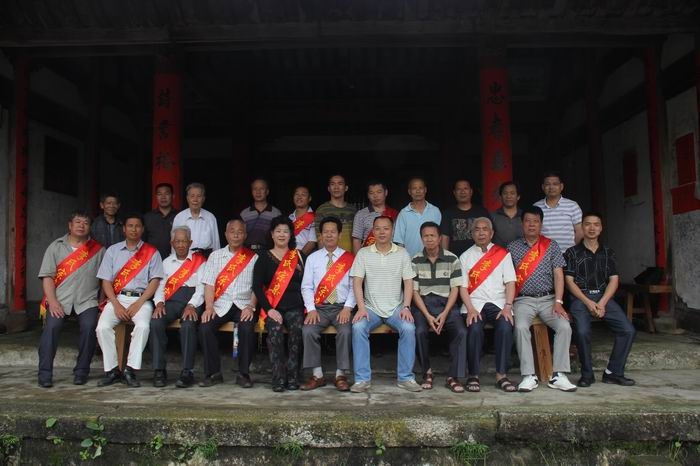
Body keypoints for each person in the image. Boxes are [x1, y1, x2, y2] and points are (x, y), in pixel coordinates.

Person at [508, 206, 576, 392]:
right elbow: (507, 278)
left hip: (549, 299)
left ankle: (559, 375)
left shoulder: (551, 245)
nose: (531, 225)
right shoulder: (512, 247)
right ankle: (528, 375)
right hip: (523, 300)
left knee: (564, 326)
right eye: (528, 221)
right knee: (520, 327)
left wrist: (559, 302)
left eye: (536, 221)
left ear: (541, 224)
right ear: (522, 224)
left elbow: (559, 274)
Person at [349, 216, 421, 393]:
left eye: (386, 228)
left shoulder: (402, 253)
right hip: (370, 308)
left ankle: (405, 378)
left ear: (392, 231)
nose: (382, 232)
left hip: (396, 308)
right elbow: (357, 282)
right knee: (358, 327)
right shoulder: (363, 253)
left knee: (409, 328)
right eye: (378, 228)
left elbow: (409, 282)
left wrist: (406, 307)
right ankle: (362, 379)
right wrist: (361, 308)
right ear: (373, 231)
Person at [564, 212, 636, 387]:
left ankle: (613, 372)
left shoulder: (608, 252)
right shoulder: (572, 253)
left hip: (603, 298)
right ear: (582, 227)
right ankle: (587, 374)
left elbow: (614, 280)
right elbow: (569, 282)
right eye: (588, 224)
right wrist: (588, 302)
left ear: (601, 228)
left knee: (627, 330)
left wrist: (602, 303)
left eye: (596, 224)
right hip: (580, 298)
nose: (592, 228)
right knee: (582, 332)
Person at [37, 212, 105, 387]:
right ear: (70, 225)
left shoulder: (99, 250)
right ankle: (44, 373)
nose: (81, 225)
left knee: (89, 327)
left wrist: (101, 304)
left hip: (87, 301)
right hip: (60, 300)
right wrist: (52, 301)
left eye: (85, 222)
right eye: (77, 222)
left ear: (90, 227)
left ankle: (81, 371)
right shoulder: (55, 247)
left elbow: (105, 280)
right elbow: (47, 276)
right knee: (51, 328)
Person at [95, 214, 163, 387]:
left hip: (141, 300)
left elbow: (155, 281)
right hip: (117, 298)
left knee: (143, 327)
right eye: (130, 226)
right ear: (124, 229)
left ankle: (130, 370)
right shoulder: (112, 251)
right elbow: (106, 281)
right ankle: (112, 370)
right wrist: (116, 304)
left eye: (137, 226)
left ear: (142, 229)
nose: (134, 229)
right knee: (102, 328)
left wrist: (139, 303)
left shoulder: (152, 252)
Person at [459, 217, 518, 393]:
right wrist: (470, 309)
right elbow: (462, 287)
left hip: (499, 303)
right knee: (475, 328)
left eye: (485, 229)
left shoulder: (503, 254)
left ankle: (501, 375)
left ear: (491, 233)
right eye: (477, 229)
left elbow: (510, 283)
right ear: (472, 233)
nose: (481, 233)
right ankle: (473, 375)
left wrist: (508, 306)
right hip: (474, 303)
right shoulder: (465, 256)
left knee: (505, 327)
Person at [198, 219, 259, 388]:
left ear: (245, 235)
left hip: (243, 304)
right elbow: (209, 284)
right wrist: (209, 307)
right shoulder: (215, 256)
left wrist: (251, 306)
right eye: (232, 231)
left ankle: (243, 374)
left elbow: (257, 287)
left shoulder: (253, 258)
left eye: (240, 232)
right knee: (205, 327)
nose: (236, 235)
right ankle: (213, 373)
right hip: (220, 304)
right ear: (226, 234)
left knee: (247, 327)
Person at [300, 216, 355, 391]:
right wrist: (311, 309)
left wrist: (348, 308)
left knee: (346, 331)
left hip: (341, 307)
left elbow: (355, 287)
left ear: (339, 235)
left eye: (333, 232)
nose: (329, 235)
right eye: (326, 232)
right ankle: (317, 375)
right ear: (321, 235)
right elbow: (306, 287)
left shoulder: (349, 258)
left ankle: (341, 375)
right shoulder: (313, 258)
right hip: (319, 308)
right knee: (308, 330)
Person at [411, 221, 467, 392]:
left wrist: (445, 313)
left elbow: (455, 289)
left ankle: (453, 376)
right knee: (419, 331)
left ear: (439, 238)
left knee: (461, 331)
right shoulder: (415, 260)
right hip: (423, 304)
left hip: (446, 303)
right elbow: (414, 292)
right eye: (425, 236)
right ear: (421, 238)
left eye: (432, 236)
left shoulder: (452, 258)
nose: (429, 239)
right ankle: (427, 372)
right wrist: (428, 315)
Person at [253, 216, 305, 392]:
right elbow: (257, 287)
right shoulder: (263, 257)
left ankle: (293, 376)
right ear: (272, 234)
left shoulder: (298, 256)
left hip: (296, 306)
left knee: (297, 331)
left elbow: (308, 284)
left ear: (291, 235)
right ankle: (278, 377)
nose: (282, 235)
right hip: (273, 306)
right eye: (278, 231)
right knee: (274, 332)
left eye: (285, 231)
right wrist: (269, 309)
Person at [149, 226, 206, 388]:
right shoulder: (166, 263)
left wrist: (192, 305)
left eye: (184, 241)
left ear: (190, 243)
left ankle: (187, 371)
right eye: (177, 241)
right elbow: (160, 287)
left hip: (193, 301)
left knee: (188, 325)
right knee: (156, 322)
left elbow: (202, 288)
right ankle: (159, 370)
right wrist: (159, 303)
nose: (181, 245)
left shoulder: (199, 261)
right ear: (172, 243)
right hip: (171, 301)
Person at [440, 179, 491, 257]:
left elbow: (489, 235)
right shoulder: (448, 213)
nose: (462, 192)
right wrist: (445, 258)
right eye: (459, 189)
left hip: (479, 258)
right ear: (454, 193)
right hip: (456, 259)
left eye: (465, 188)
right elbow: (445, 238)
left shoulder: (481, 212)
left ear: (471, 192)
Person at [534, 171, 583, 252]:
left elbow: (579, 232)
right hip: (543, 254)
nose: (551, 187)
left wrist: (576, 252)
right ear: (543, 187)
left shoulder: (572, 206)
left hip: (568, 254)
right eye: (547, 184)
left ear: (561, 186)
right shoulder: (536, 207)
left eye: (555, 184)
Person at [393, 177, 442, 257]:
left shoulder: (435, 211)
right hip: (410, 259)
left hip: (432, 259)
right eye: (414, 188)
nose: (418, 191)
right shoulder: (404, 213)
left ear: (425, 190)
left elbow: (440, 237)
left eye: (420, 188)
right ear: (409, 191)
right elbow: (399, 241)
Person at [172, 182, 220, 256]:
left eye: (199, 196)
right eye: (192, 196)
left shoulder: (210, 217)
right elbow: (174, 243)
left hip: (206, 258)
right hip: (185, 258)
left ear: (203, 199)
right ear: (187, 198)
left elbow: (216, 243)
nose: (195, 199)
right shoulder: (179, 217)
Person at [352, 180, 399, 254]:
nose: (375, 196)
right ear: (368, 195)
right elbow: (357, 240)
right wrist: (358, 258)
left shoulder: (395, 214)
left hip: (390, 255)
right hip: (368, 256)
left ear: (386, 192)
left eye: (379, 192)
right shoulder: (361, 214)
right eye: (371, 193)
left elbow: (398, 240)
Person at [315, 174, 356, 252]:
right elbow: (320, 238)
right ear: (329, 188)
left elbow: (356, 237)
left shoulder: (353, 210)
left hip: (350, 255)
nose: (336, 187)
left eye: (340, 184)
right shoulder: (322, 210)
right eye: (333, 184)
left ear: (346, 188)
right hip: (331, 256)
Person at [240, 178, 282, 251]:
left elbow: (280, 236)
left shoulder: (276, 213)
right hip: (247, 252)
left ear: (267, 192)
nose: (258, 192)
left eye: (261, 189)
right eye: (255, 189)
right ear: (252, 192)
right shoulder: (244, 214)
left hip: (269, 252)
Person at [143, 183, 178, 259]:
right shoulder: (147, 217)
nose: (163, 197)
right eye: (159, 194)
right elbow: (142, 241)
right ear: (156, 197)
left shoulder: (180, 216)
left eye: (166, 194)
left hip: (175, 260)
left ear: (173, 196)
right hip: (152, 259)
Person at [491, 181, 523, 247]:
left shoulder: (525, 216)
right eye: (505, 193)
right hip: (498, 253)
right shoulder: (492, 216)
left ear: (518, 197)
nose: (508, 196)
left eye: (512, 193)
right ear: (500, 197)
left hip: (521, 253)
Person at [289, 185, 317, 256]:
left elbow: (311, 243)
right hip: (287, 256)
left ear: (309, 198)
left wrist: (298, 258)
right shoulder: (289, 218)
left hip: (305, 257)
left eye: (303, 194)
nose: (299, 197)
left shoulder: (314, 218)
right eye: (297, 194)